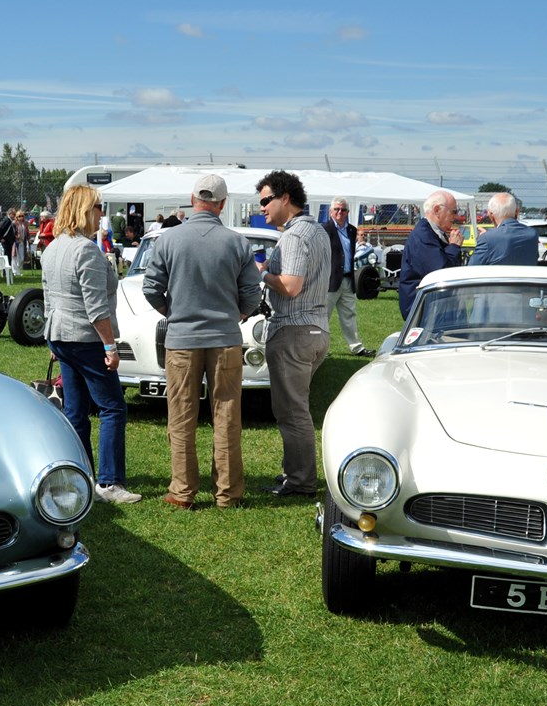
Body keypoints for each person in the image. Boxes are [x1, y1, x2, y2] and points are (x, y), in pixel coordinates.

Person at [142, 174, 263, 510]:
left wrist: (175, 312)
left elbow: (151, 288)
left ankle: (182, 491)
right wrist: (238, 313)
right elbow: (252, 292)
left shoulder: (168, 239)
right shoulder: (237, 242)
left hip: (182, 339)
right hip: (225, 339)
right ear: (222, 204)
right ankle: (228, 493)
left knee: (181, 415)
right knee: (227, 415)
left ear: (193, 199)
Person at [41, 185, 141, 504]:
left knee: (75, 410)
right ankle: (109, 483)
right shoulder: (85, 250)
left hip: (61, 335)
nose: (102, 214)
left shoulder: (53, 247)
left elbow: (48, 297)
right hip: (85, 338)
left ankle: (82, 477)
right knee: (112, 407)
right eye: (99, 207)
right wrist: (110, 347)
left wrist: (52, 339)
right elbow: (96, 308)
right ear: (85, 210)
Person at [255, 171, 330, 497]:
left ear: (285, 198)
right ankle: (294, 472)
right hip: (315, 329)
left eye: (265, 200)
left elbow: (291, 285)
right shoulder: (317, 230)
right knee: (295, 408)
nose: (262, 208)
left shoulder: (295, 235)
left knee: (292, 412)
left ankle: (301, 481)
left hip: (294, 331)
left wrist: (263, 273)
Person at [397, 190, 465, 318]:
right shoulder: (423, 237)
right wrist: (454, 247)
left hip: (433, 309)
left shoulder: (432, 234)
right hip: (426, 312)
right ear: (437, 210)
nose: (456, 217)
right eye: (454, 212)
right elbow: (442, 274)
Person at [321, 196, 370, 356]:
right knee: (323, 317)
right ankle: (320, 349)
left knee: (349, 315)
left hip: (348, 280)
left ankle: (357, 347)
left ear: (348, 212)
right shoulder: (324, 230)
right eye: (336, 209)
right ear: (330, 211)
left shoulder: (352, 230)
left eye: (343, 210)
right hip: (330, 281)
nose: (339, 212)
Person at [468, 191, 539, 268]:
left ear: (490, 215)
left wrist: (486, 238)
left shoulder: (486, 238)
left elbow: (471, 268)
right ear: (517, 212)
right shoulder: (532, 234)